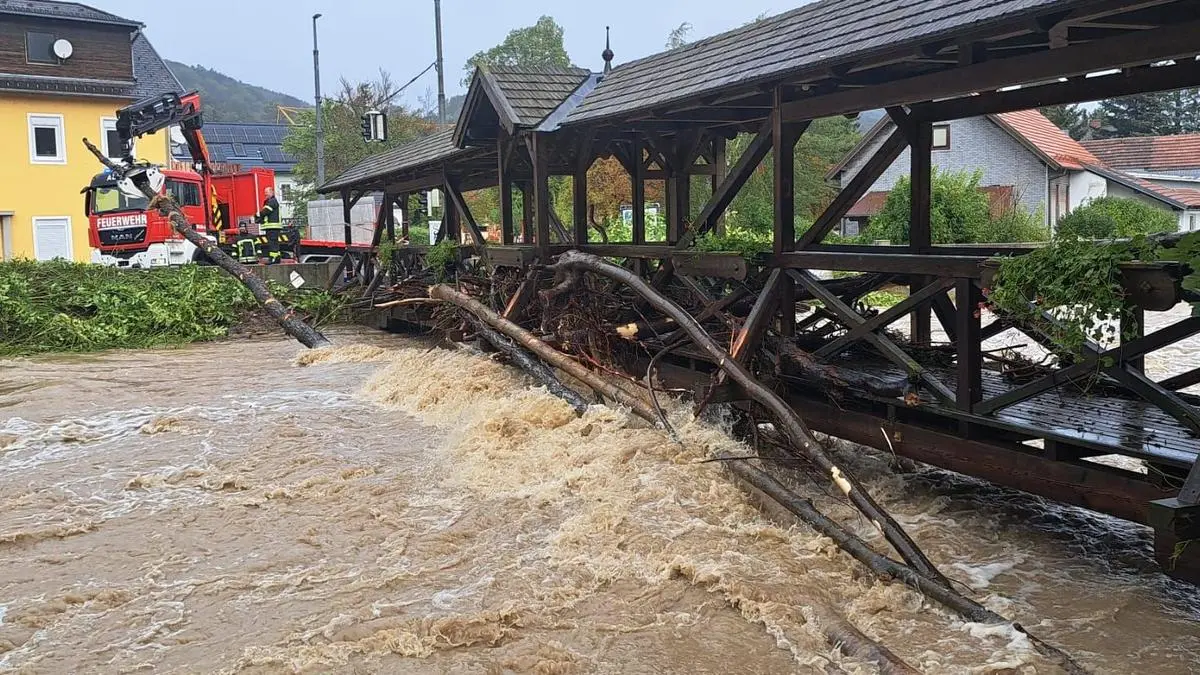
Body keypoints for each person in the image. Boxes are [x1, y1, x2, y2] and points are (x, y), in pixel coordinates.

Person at [256, 187, 283, 264]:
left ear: (272, 192)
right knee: (274, 243)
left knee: (272, 243)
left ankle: (273, 259)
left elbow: (265, 211)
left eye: (267, 193)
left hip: (272, 227)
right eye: (265, 193)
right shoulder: (271, 201)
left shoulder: (272, 201)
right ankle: (277, 258)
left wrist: (256, 216)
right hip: (272, 227)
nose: (265, 195)